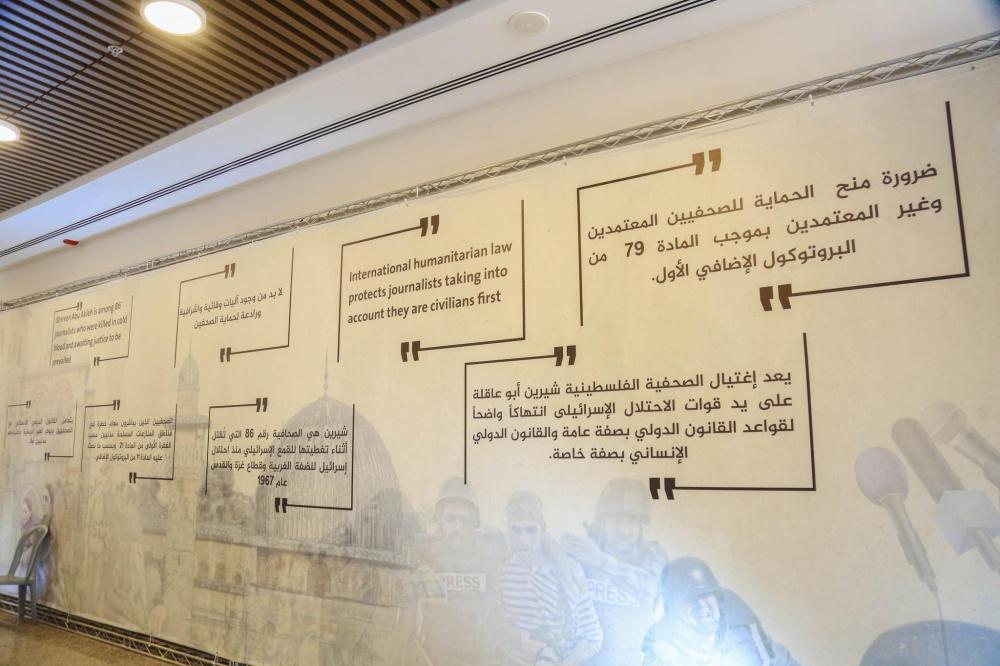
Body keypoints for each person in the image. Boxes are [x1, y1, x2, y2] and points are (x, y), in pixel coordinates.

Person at [562, 479, 668, 665]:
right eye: (616, 520)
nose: (624, 531)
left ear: (641, 524)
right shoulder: (586, 549)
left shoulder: (653, 553)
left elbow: (651, 588)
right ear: (603, 522)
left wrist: (600, 561)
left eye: (632, 521)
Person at [408, 477, 506, 665]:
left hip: (475, 657)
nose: (457, 528)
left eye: (463, 520)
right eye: (450, 519)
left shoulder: (487, 559)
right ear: (439, 520)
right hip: (430, 656)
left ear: (473, 523)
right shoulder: (423, 553)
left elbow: (493, 613)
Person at [496, 491, 603, 665]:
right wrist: (516, 639)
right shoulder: (502, 571)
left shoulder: (568, 572)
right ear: (508, 528)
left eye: (531, 530)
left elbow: (593, 637)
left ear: (543, 529)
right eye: (516, 530)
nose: (523, 540)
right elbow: (496, 625)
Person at [642, 557, 798, 666]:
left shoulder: (745, 628)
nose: (701, 605)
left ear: (717, 596)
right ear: (673, 608)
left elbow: (781, 660)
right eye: (690, 598)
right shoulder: (660, 648)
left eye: (705, 595)